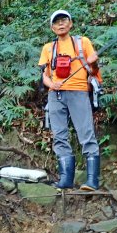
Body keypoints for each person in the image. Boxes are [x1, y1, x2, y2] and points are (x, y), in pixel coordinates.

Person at [38, 10, 101, 191]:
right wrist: (52, 84)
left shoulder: (83, 43)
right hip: (55, 94)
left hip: (79, 91)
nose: (61, 24)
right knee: (59, 135)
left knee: (86, 133)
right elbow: (44, 75)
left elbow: (94, 70)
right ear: (52, 28)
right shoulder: (48, 48)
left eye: (64, 20)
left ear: (71, 23)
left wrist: (94, 62)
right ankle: (66, 179)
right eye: (56, 22)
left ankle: (91, 180)